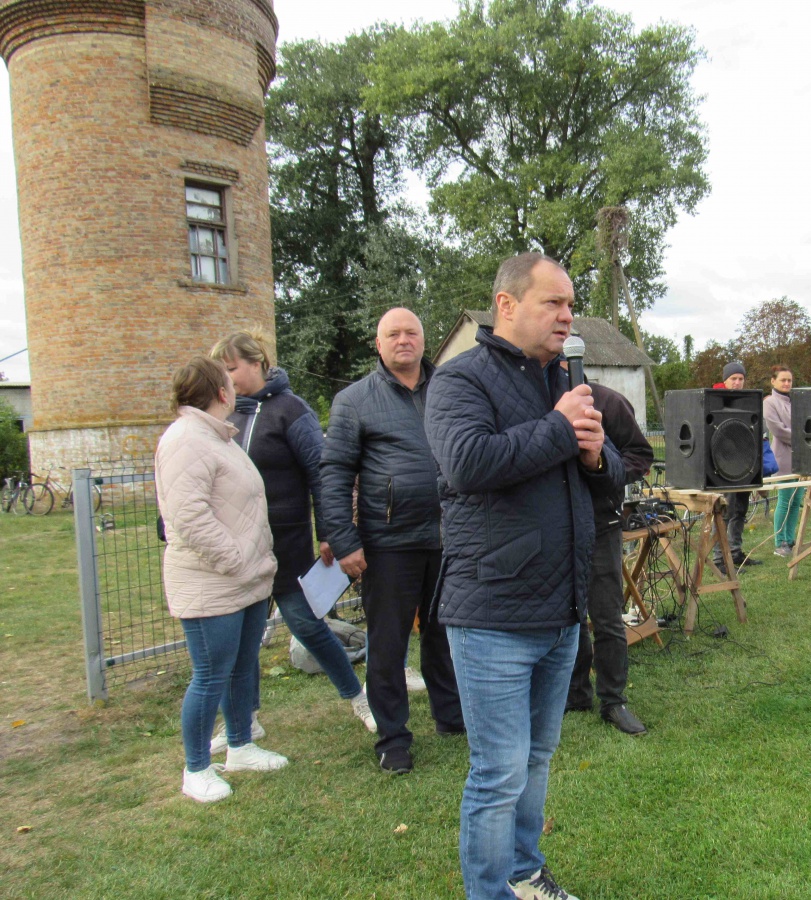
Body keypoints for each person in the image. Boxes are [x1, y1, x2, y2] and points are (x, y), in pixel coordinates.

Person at [425, 253, 624, 900]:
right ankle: (490, 892)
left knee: (535, 763)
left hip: (560, 611)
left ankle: (524, 872)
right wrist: (561, 429)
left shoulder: (562, 379)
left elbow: (608, 474)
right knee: (498, 773)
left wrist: (596, 458)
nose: (568, 315)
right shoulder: (461, 381)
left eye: (570, 304)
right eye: (553, 303)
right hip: (492, 616)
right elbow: (467, 463)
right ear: (506, 306)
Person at [208, 332, 374, 747]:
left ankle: (360, 698)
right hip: (240, 550)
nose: (225, 379)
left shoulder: (290, 410)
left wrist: (328, 532)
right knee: (242, 641)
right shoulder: (227, 416)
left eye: (230, 369)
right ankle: (244, 723)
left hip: (287, 545)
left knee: (308, 626)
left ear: (257, 362)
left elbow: (322, 473)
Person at [321, 308, 463, 775]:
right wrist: (343, 539)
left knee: (445, 633)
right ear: (378, 345)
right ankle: (393, 738)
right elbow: (335, 473)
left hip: (448, 536)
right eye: (393, 334)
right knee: (387, 644)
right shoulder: (354, 400)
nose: (404, 340)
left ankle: (451, 716)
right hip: (387, 543)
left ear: (425, 341)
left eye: (412, 333)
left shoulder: (450, 388)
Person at [155, 356, 286, 803]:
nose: (235, 387)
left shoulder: (219, 439)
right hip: (213, 581)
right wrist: (235, 560)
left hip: (245, 578)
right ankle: (195, 769)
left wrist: (253, 563)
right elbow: (188, 517)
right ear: (220, 392)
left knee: (241, 666)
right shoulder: (186, 440)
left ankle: (240, 746)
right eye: (228, 381)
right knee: (210, 673)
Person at [566, 382, 653, 735]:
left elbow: (640, 454)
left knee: (605, 614)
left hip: (601, 522)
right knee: (563, 618)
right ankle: (574, 693)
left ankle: (613, 701)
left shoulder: (606, 401)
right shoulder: (533, 395)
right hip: (553, 524)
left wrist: (602, 468)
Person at [711, 361, 762, 572]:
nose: (738, 383)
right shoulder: (714, 400)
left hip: (744, 464)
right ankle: (719, 559)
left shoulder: (747, 400)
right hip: (723, 465)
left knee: (740, 509)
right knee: (724, 512)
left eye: (741, 379)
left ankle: (735, 552)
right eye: (734, 379)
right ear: (725, 380)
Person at [763, 365, 798, 556]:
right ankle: (780, 541)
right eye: (783, 380)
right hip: (783, 459)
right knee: (785, 501)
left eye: (789, 380)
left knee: (796, 501)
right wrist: (801, 437)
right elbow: (777, 430)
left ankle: (791, 540)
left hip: (800, 459)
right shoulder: (769, 403)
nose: (786, 383)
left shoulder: (795, 401)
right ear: (773, 381)